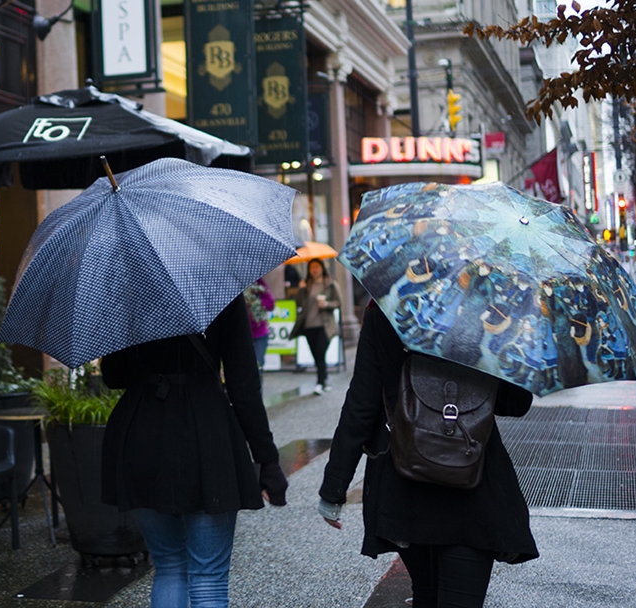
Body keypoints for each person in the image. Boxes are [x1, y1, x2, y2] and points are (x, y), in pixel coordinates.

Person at [317, 301, 538, 608]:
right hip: (472, 483)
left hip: (404, 484)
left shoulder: (385, 308)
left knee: (426, 592)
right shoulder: (489, 313)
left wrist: (334, 487)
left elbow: (362, 403)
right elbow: (516, 402)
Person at [101, 294, 288, 608]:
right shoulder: (219, 289)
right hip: (206, 434)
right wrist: (267, 459)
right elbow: (244, 384)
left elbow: (113, 376)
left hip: (141, 433)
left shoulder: (129, 293)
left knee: (169, 566)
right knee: (208, 576)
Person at [290, 258, 342, 395]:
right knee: (316, 354)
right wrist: (300, 290)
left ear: (322, 268)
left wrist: (327, 305)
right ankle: (324, 377)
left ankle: (320, 382)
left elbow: (338, 302)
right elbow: (299, 303)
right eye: (311, 267)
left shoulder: (330, 283)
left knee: (320, 352)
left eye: (316, 266)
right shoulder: (306, 285)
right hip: (309, 325)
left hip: (325, 325)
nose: (314, 269)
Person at [244, 278, 276, 384]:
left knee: (257, 367)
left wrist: (255, 302)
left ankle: (257, 397)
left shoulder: (257, 282)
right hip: (240, 335)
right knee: (243, 369)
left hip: (259, 333)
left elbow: (270, 303)